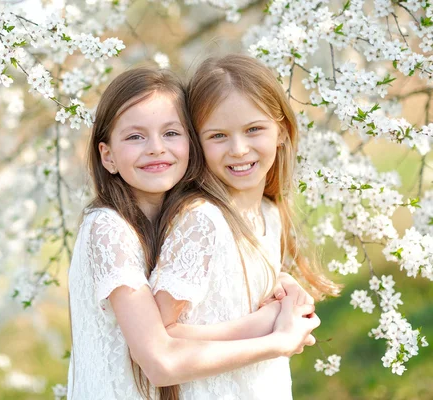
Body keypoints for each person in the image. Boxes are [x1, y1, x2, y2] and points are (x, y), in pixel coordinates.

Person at [67, 66, 321, 399]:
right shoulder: (109, 229)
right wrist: (274, 335)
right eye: (135, 136)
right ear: (108, 156)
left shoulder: (176, 220)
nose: (156, 148)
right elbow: (160, 359)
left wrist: (278, 287)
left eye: (171, 133)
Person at [149, 54, 340, 399]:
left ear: (281, 130)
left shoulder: (269, 212)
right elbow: (160, 336)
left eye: (254, 129)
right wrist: (266, 327)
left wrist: (283, 287)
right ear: (197, 144)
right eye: (218, 135)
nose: (239, 149)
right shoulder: (201, 220)